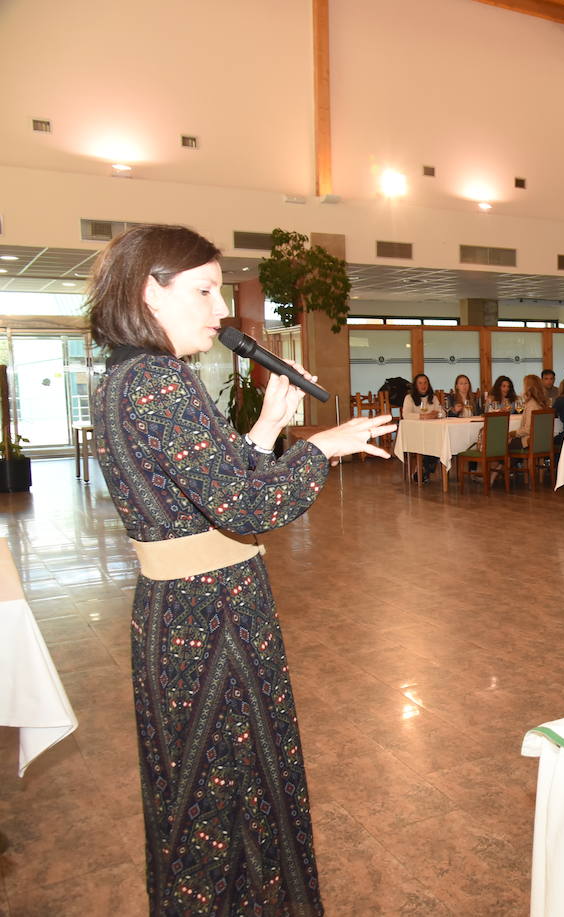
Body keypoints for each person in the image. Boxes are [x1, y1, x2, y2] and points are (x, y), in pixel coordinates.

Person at [86, 224, 393, 916]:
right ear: (151, 293)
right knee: (229, 791)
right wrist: (323, 448)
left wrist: (264, 432)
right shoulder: (162, 381)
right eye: (203, 290)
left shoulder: (122, 379)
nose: (220, 311)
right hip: (213, 617)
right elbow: (248, 506)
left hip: (178, 611)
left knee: (203, 787)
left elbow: (203, 493)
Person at [403, 373, 444, 482]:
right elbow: (406, 415)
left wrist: (436, 413)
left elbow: (442, 412)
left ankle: (424, 469)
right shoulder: (409, 398)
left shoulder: (433, 397)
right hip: (415, 433)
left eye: (425, 383)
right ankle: (423, 469)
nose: (423, 385)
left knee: (439, 441)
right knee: (429, 441)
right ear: (416, 385)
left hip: (432, 432)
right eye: (420, 383)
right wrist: (423, 416)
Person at [511, 373, 550, 448]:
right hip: (541, 439)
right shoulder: (541, 403)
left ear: (528, 387)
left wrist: (513, 433)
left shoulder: (531, 405)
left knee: (502, 443)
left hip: (529, 440)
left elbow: (528, 429)